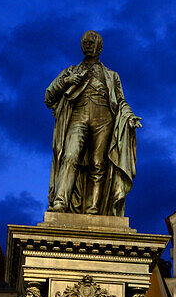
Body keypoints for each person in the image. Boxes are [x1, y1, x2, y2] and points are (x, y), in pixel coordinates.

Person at [45, 30, 141, 216]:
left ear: (99, 47)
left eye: (91, 43)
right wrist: (66, 81)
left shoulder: (111, 75)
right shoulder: (70, 71)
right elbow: (49, 96)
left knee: (99, 163)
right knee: (70, 156)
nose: (87, 46)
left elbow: (120, 101)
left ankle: (93, 209)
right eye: (85, 43)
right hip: (78, 115)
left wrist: (129, 115)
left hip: (104, 118)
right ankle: (60, 202)